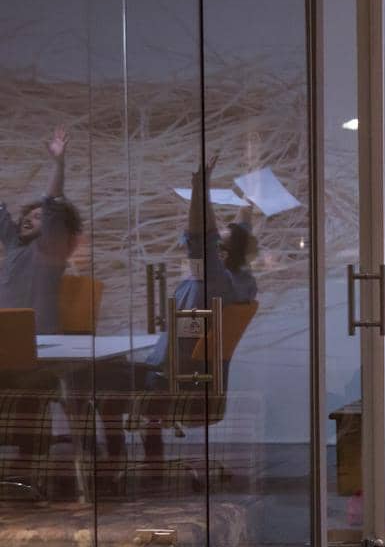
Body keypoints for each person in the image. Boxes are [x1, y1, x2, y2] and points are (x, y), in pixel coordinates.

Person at [89, 157, 259, 465]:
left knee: (98, 380)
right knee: (119, 372)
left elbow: (200, 235)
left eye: (220, 238)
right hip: (196, 383)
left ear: (220, 253)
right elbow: (240, 232)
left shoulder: (212, 279)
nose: (217, 231)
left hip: (173, 384)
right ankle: (152, 460)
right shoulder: (243, 282)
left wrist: (200, 188)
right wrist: (247, 203)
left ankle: (113, 462)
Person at [0, 126, 83, 333]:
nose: (28, 219)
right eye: (28, 215)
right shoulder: (14, 244)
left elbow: (53, 203)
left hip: (39, 341)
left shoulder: (49, 248)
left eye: (38, 217)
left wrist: (58, 165)